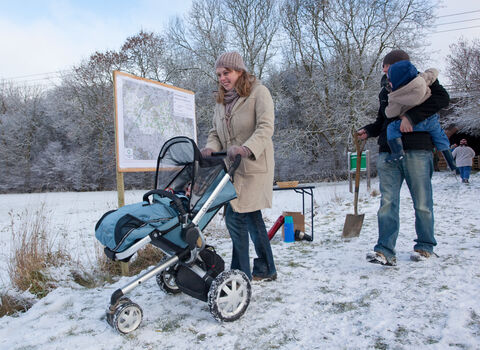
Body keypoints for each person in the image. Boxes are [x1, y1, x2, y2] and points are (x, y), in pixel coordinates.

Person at [357, 49, 450, 265]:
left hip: (417, 148)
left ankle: (425, 246)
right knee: (388, 201)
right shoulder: (385, 89)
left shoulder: (423, 81)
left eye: (387, 68)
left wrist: (411, 117)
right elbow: (383, 120)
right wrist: (370, 130)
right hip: (388, 151)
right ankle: (385, 250)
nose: (385, 72)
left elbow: (442, 99)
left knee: (422, 202)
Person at [200, 51, 277, 281]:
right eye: (219, 74)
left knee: (236, 218)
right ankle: (266, 268)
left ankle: (239, 275)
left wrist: (246, 148)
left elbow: (265, 127)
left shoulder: (259, 92)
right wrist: (210, 147)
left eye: (227, 73)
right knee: (251, 218)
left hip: (253, 166)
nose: (222, 78)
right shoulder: (221, 101)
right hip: (231, 169)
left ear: (240, 71)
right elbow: (215, 131)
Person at [384, 60, 456, 171]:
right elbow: (431, 74)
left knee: (392, 128)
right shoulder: (422, 80)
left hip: (416, 124)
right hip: (432, 120)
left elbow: (390, 113)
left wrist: (404, 116)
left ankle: (397, 152)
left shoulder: (397, 94)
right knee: (440, 137)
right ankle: (451, 162)